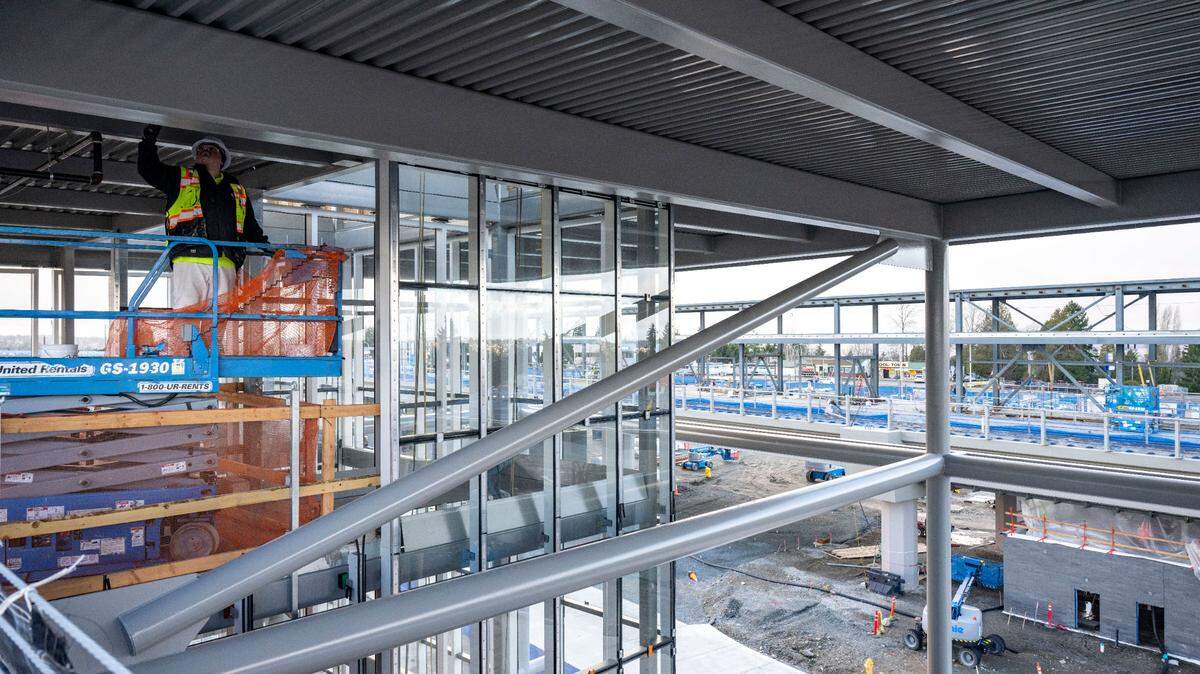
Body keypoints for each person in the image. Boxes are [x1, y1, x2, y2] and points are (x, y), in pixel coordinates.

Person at [138, 124, 269, 309]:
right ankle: (187, 340)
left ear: (221, 159)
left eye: (210, 149)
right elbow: (149, 169)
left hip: (225, 262)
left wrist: (269, 248)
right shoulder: (181, 178)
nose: (204, 151)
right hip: (189, 260)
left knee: (220, 322)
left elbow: (250, 227)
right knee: (186, 320)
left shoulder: (237, 190)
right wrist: (148, 142)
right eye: (200, 150)